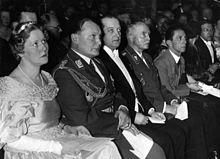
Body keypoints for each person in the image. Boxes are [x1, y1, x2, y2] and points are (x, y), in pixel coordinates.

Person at [0, 22, 122, 159]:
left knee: (106, 147)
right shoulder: (12, 86)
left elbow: (48, 120)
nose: (44, 47)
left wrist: (67, 128)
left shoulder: (46, 78)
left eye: (44, 41)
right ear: (20, 51)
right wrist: (56, 147)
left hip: (58, 138)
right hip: (33, 151)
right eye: (35, 44)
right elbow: (8, 139)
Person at [53, 17, 166, 159]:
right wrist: (118, 121)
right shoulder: (65, 72)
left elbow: (115, 93)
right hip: (95, 134)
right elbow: (80, 119)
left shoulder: (97, 63)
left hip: (115, 122)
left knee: (157, 152)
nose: (99, 42)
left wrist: (123, 109)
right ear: (75, 38)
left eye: (99, 37)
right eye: (92, 37)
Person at [98, 15, 183, 159]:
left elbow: (138, 89)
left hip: (144, 110)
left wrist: (150, 109)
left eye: (118, 30)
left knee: (178, 133)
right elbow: (113, 97)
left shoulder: (122, 58)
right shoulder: (101, 61)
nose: (117, 34)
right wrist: (134, 113)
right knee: (167, 140)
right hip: (127, 118)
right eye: (110, 30)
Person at [121, 21, 208, 159]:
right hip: (148, 110)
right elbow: (140, 93)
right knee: (180, 132)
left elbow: (160, 86)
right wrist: (163, 107)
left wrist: (172, 101)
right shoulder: (126, 60)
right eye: (143, 34)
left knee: (195, 120)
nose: (148, 38)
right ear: (130, 37)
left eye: (148, 34)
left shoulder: (147, 57)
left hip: (161, 104)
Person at [154, 25, 220, 156]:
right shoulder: (161, 62)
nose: (184, 41)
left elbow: (183, 79)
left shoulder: (181, 59)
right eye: (179, 38)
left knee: (213, 102)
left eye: (185, 38)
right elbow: (166, 89)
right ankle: (207, 149)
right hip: (171, 99)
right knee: (205, 107)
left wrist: (196, 85)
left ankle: (214, 146)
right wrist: (189, 88)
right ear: (169, 43)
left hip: (181, 92)